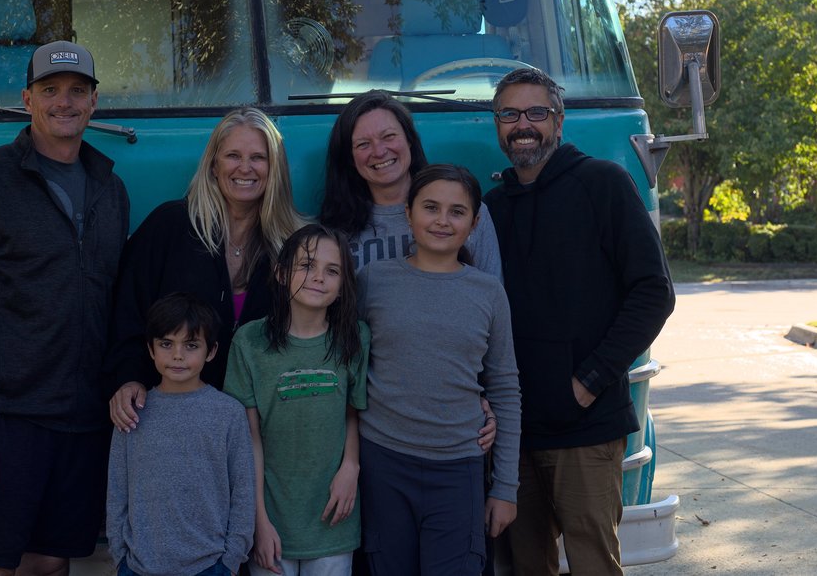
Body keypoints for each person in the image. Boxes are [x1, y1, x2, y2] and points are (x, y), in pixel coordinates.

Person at [0, 40, 129, 576]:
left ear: (93, 103)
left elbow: (113, 307)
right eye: (50, 91)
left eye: (77, 91)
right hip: (4, 422)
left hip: (82, 422)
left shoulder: (112, 191)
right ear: (27, 99)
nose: (64, 102)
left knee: (48, 564)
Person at [483, 68, 675, 575]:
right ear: (497, 125)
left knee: (593, 564)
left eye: (536, 113)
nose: (523, 124)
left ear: (559, 122)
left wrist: (588, 381)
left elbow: (654, 293)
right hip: (513, 436)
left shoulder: (603, 184)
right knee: (525, 567)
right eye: (509, 114)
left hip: (586, 429)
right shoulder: (490, 209)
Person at [356, 164, 521, 576]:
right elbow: (348, 370)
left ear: (475, 222)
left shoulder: (487, 292)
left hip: (458, 468)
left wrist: (505, 488)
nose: (442, 221)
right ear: (408, 213)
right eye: (430, 207)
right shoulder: (371, 282)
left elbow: (504, 387)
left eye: (457, 211)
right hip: (384, 464)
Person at [108, 107, 304, 432]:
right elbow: (126, 313)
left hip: (262, 428)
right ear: (214, 165)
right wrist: (127, 379)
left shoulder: (293, 247)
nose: (245, 168)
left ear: (275, 169)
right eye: (232, 156)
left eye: (258, 157)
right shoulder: (169, 226)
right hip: (170, 420)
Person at [224, 224, 371, 576]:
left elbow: (353, 411)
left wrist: (351, 466)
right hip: (272, 522)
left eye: (331, 270)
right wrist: (258, 521)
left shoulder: (354, 338)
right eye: (306, 265)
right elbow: (249, 441)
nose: (318, 277)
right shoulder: (250, 342)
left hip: (334, 517)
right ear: (281, 273)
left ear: (342, 287)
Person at [106, 292, 255, 576]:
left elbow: (243, 491)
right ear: (150, 349)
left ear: (211, 351)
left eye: (191, 345)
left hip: (211, 566)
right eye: (166, 344)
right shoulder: (132, 411)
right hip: (139, 566)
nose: (177, 355)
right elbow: (117, 490)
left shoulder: (228, 413)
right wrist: (120, 556)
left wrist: (231, 559)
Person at [319, 90, 502, 279]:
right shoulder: (333, 232)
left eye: (389, 136)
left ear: (410, 140)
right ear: (350, 158)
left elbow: (491, 298)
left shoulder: (465, 212)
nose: (379, 151)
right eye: (363, 144)